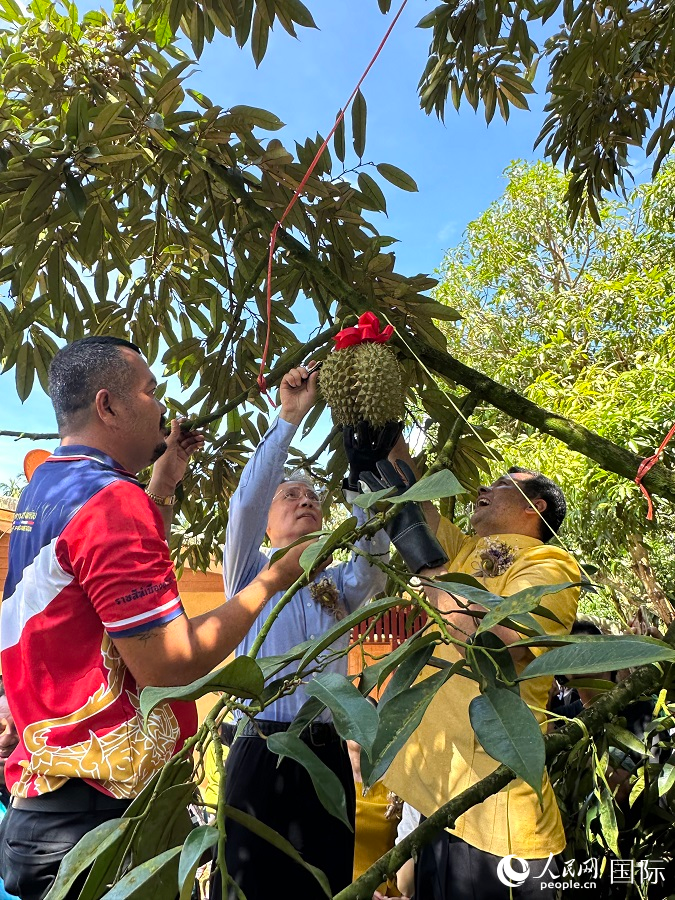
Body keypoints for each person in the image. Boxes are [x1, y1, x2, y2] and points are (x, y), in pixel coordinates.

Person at [0, 336, 312, 900]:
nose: (162, 406)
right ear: (108, 405)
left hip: (52, 803)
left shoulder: (50, 487)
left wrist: (164, 483)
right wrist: (272, 579)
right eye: (149, 391)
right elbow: (169, 665)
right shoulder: (110, 503)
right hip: (101, 821)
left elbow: (117, 591)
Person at [369, 444, 581, 900]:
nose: (485, 487)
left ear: (535, 507)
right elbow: (415, 500)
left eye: (502, 485)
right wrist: (383, 431)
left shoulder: (550, 564)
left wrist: (428, 566)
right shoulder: (466, 550)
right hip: (440, 801)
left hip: (496, 814)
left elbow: (497, 640)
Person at [220, 362, 394, 899]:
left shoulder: (338, 584)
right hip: (260, 748)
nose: (306, 500)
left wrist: (363, 478)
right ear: (268, 524)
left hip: (324, 752)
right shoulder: (247, 573)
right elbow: (246, 503)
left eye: (314, 496)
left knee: (324, 882)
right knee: (249, 885)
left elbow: (375, 554)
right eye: (291, 495)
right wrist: (289, 419)